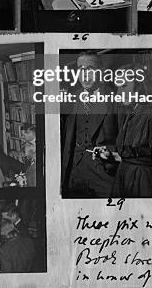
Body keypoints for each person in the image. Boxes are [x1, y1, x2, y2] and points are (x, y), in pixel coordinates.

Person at [61, 51, 119, 198]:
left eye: (90, 69)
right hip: (74, 172)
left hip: (103, 173)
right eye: (81, 69)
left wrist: (109, 155)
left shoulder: (115, 99)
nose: (85, 74)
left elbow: (123, 137)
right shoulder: (70, 98)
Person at [113, 74, 152, 197]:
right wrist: (111, 155)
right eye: (118, 88)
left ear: (140, 87)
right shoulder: (131, 112)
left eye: (124, 86)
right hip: (123, 180)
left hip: (141, 183)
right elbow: (135, 155)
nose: (118, 93)